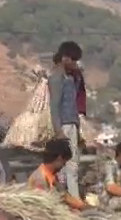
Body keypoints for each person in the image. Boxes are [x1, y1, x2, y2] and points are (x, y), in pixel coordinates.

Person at [48, 41, 83, 200]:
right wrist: (58, 130)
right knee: (64, 168)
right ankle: (67, 201)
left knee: (73, 167)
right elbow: (54, 105)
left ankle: (73, 200)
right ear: (64, 58)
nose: (75, 64)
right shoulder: (56, 78)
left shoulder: (71, 77)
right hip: (63, 126)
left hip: (72, 124)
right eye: (73, 60)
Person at [28, 138, 90, 210]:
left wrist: (84, 206)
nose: (64, 166)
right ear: (59, 158)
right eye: (64, 162)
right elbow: (46, 208)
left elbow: (65, 196)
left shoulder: (50, 174)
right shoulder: (39, 179)